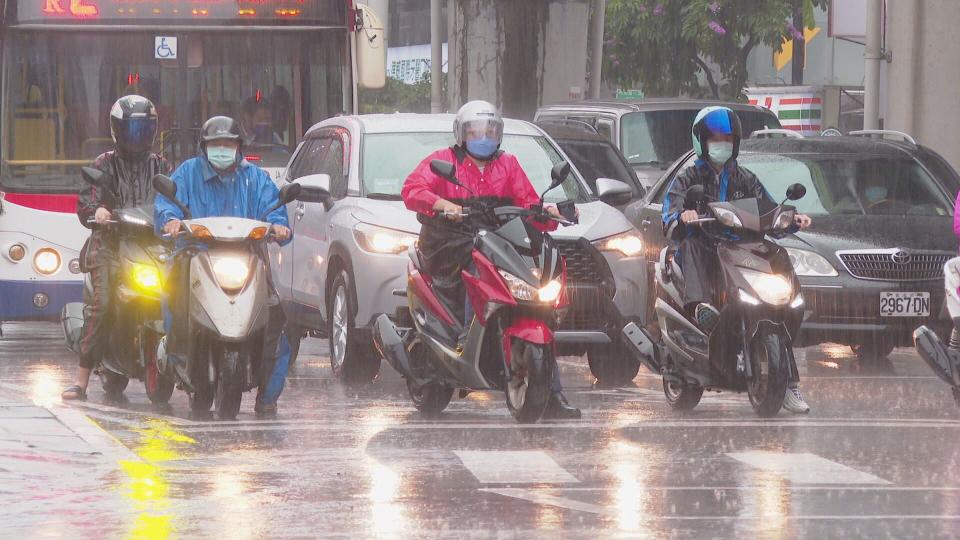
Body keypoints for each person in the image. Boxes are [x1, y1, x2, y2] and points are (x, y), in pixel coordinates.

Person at [401, 100, 581, 420]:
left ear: (499, 134)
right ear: (461, 133)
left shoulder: (508, 164)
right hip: (450, 240)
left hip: (494, 240)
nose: (483, 137)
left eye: (490, 131)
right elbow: (412, 190)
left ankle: (552, 393)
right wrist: (443, 204)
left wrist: (551, 211)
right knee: (475, 266)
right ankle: (462, 334)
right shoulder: (444, 161)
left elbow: (528, 203)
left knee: (536, 277)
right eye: (475, 131)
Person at [661, 106, 813, 414]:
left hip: (742, 250)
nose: (722, 144)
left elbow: (769, 209)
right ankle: (700, 306)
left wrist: (793, 220)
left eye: (727, 138)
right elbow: (670, 212)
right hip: (708, 247)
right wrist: (684, 215)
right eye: (715, 138)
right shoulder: (689, 176)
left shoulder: (746, 178)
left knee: (778, 255)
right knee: (690, 246)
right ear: (702, 141)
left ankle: (789, 382)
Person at [155, 116, 292, 417]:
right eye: (215, 144)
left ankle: (267, 396)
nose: (222, 149)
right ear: (204, 148)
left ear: (238, 147)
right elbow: (166, 204)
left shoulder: (255, 178)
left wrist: (279, 227)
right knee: (173, 301)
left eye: (228, 144)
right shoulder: (187, 173)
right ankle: (177, 359)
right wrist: (171, 220)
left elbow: (274, 208)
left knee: (278, 320)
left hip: (247, 256)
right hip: (195, 256)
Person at [62, 95, 168, 401]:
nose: (138, 137)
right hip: (109, 244)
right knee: (104, 304)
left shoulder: (160, 164)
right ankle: (81, 380)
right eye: (131, 130)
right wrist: (98, 212)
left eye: (144, 129)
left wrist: (177, 218)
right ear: (117, 130)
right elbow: (87, 201)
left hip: (150, 244)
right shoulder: (103, 163)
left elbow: (173, 197)